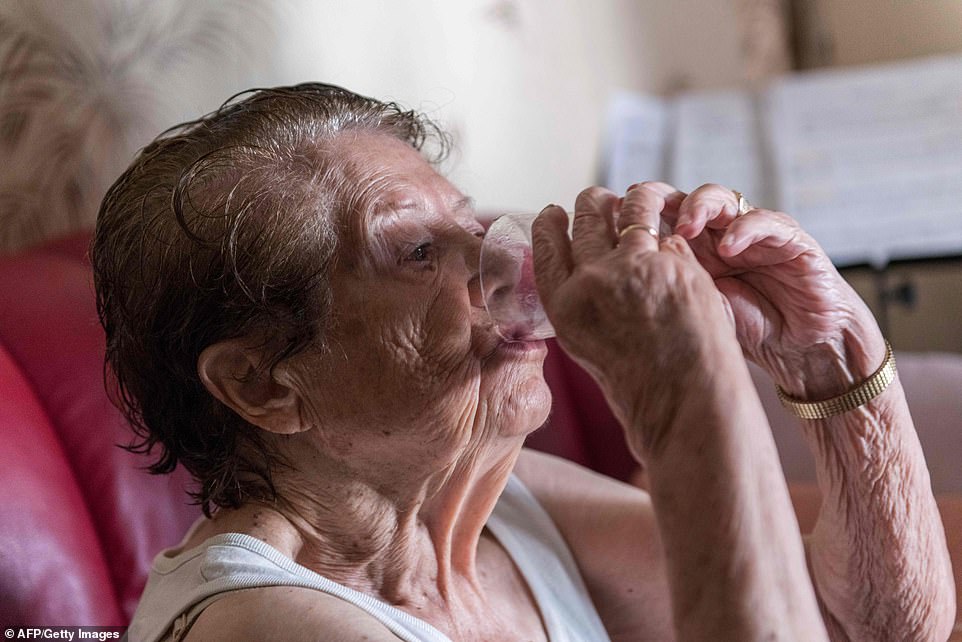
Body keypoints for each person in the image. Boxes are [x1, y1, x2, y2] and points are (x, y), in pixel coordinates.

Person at [93, 83, 955, 642]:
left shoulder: (500, 506)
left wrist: (834, 361)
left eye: (470, 223)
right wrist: (684, 385)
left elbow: (870, 627)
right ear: (266, 385)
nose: (503, 258)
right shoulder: (263, 627)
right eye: (418, 252)